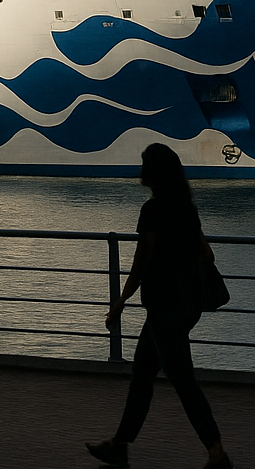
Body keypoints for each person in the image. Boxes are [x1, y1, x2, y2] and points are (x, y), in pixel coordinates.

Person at [86, 143, 231, 469]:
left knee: (184, 381)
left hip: (165, 309)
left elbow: (142, 262)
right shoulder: (186, 208)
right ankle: (119, 445)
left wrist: (120, 302)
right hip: (185, 306)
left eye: (144, 163)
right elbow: (207, 254)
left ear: (154, 172)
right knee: (142, 376)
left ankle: (217, 452)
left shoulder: (152, 210)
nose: (140, 169)